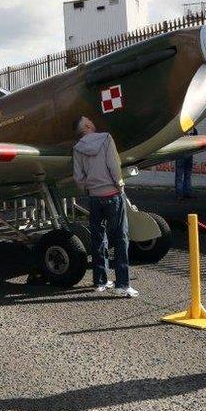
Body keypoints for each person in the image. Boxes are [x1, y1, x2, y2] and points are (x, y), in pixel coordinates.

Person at [72, 116, 137, 298]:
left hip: (94, 197)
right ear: (87, 125)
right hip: (112, 195)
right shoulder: (106, 138)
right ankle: (122, 284)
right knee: (121, 238)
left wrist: (89, 188)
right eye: (89, 120)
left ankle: (100, 281)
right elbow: (114, 165)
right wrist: (119, 184)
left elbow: (78, 176)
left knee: (98, 238)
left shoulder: (77, 148)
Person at [174, 128, 197, 199]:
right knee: (187, 175)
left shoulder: (179, 129)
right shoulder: (193, 130)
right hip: (189, 153)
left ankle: (179, 194)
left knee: (179, 176)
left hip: (181, 152)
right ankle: (187, 193)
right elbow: (196, 139)